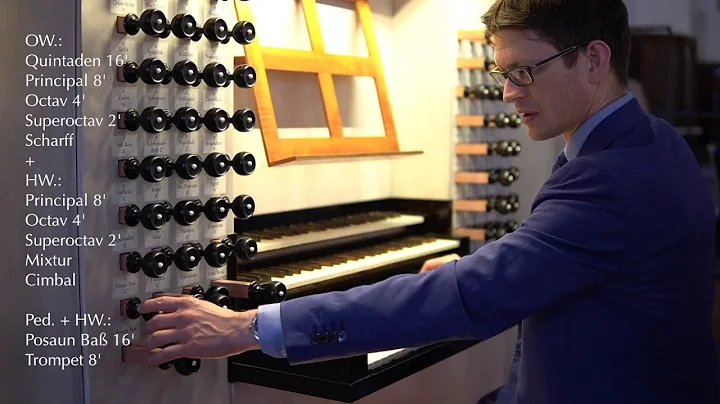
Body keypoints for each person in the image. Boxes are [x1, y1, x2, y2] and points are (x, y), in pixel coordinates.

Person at [137, 0, 720, 402]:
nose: (511, 94)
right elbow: (568, 254)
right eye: (501, 74)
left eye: (525, 71)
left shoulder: (612, 177)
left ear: (594, 59)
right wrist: (489, 263)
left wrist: (252, 326)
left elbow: (468, 295)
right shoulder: (652, 138)